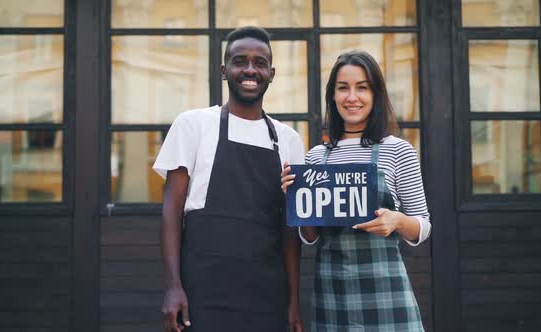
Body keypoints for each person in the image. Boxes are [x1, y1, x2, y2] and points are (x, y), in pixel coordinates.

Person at [153, 26, 305, 332]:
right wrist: (173, 286)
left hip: (267, 295)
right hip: (203, 292)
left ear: (271, 73)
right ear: (224, 70)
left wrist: (293, 302)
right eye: (240, 61)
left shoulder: (289, 140)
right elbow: (171, 209)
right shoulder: (193, 125)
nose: (250, 70)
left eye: (260, 63)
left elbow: (291, 230)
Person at [281, 50, 431, 331]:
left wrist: (397, 221)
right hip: (332, 296)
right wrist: (295, 196)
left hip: (387, 296)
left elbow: (422, 227)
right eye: (343, 88)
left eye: (362, 87)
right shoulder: (316, 157)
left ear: (376, 95)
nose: (352, 97)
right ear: (333, 96)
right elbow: (310, 238)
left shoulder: (398, 151)